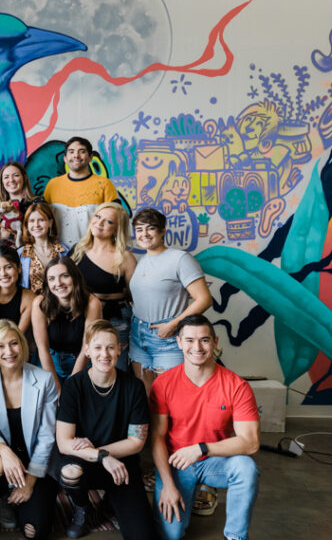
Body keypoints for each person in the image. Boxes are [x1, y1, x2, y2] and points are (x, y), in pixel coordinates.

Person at [150, 315, 261, 540]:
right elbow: (156, 437)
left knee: (246, 468)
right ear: (179, 342)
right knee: (170, 535)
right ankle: (179, 496)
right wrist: (167, 484)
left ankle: (235, 536)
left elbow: (251, 442)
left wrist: (201, 448)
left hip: (213, 459)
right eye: (189, 340)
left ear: (215, 342)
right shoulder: (164, 383)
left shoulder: (236, 385)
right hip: (178, 462)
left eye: (204, 340)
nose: (197, 348)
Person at [55, 320, 155, 540]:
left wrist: (105, 455)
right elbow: (63, 443)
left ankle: (111, 501)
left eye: (110, 347)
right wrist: (101, 457)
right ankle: (83, 508)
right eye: (98, 348)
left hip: (121, 465)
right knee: (70, 472)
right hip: (84, 461)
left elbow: (137, 442)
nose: (105, 354)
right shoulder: (74, 386)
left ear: (119, 349)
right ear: (87, 350)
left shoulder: (133, 387)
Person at [0, 319, 58, 540]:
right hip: (3, 458)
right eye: (0, 346)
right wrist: (6, 453)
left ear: (22, 345)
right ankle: (5, 496)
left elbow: (47, 437)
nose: (8, 351)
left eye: (13, 343)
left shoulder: (44, 380)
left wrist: (29, 483)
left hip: (36, 464)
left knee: (35, 533)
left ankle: (30, 497)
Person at [129, 207, 212, 393]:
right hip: (138, 334)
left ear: (162, 231)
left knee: (171, 395)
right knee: (147, 396)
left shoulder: (179, 259)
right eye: (139, 229)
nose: (144, 234)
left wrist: (173, 324)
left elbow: (204, 299)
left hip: (166, 336)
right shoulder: (141, 260)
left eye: (150, 228)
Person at [71, 202, 136, 370]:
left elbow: (133, 296)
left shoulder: (125, 258)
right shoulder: (76, 251)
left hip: (115, 319)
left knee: (113, 369)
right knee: (83, 367)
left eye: (108, 222)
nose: (99, 223)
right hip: (80, 318)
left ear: (117, 229)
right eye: (98, 217)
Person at [31, 257, 102, 388]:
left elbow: (86, 349)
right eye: (51, 279)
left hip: (82, 360)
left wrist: (71, 387)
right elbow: (43, 349)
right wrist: (56, 387)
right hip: (51, 362)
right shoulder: (40, 304)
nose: (58, 283)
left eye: (64, 276)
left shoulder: (92, 303)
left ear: (75, 277)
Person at [43, 137, 118, 245]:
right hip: (60, 253)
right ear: (65, 158)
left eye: (82, 151)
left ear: (90, 157)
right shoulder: (52, 185)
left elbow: (115, 221)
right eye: (71, 152)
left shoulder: (105, 184)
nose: (76, 156)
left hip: (93, 251)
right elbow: (45, 220)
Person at [17, 201, 69, 294]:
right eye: (32, 221)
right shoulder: (20, 254)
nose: (36, 225)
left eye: (41, 220)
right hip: (33, 305)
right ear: (27, 225)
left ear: (50, 222)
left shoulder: (64, 251)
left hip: (61, 303)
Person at [0, 161, 40, 247]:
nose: (11, 180)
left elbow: (42, 239)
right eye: (6, 177)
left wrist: (9, 236)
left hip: (30, 256)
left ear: (24, 178)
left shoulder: (37, 203)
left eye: (16, 175)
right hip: (4, 256)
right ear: (2, 182)